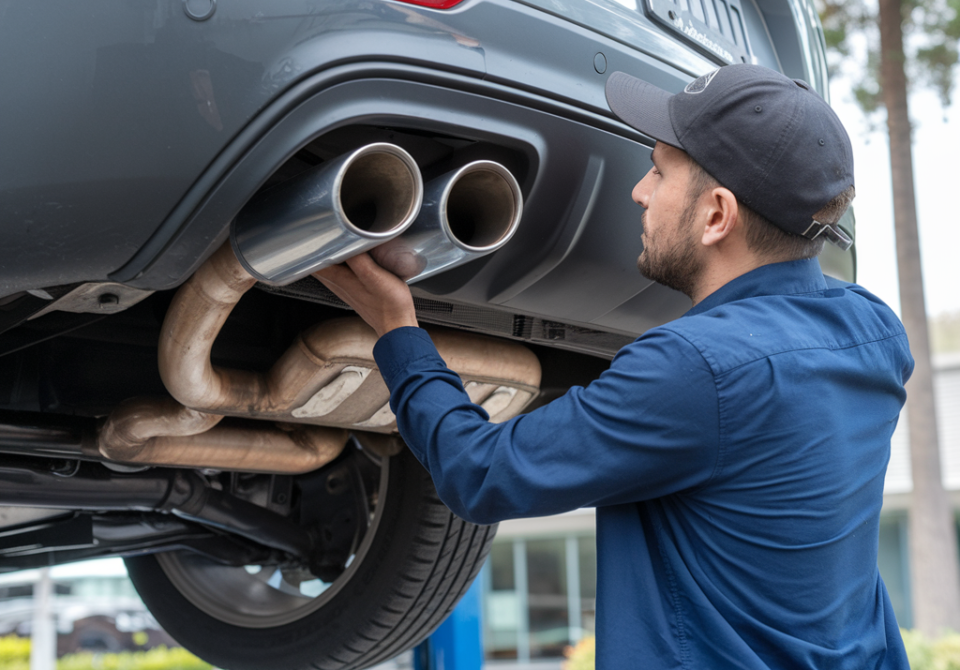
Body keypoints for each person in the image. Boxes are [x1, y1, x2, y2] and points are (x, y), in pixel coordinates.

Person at [314, 64, 913, 669]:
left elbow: (479, 472)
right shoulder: (872, 334)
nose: (640, 191)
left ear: (716, 215)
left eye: (660, 171)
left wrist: (396, 330)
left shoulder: (696, 368)